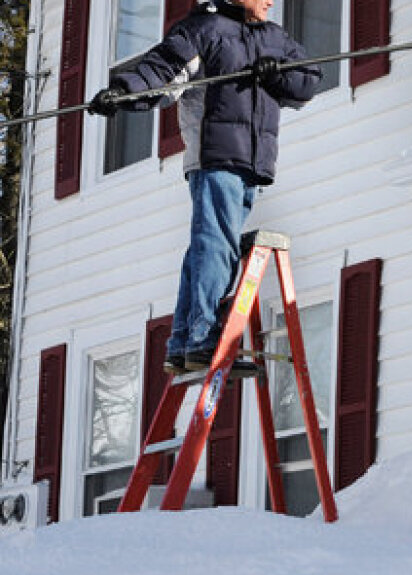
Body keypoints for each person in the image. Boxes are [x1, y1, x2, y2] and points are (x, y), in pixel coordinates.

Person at [88, 0, 320, 374]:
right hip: (214, 156)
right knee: (216, 245)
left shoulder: (273, 37)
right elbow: (161, 72)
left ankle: (184, 343)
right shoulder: (202, 30)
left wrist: (276, 73)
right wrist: (123, 90)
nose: (270, 1)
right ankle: (204, 340)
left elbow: (307, 81)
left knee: (207, 244)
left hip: (252, 162)